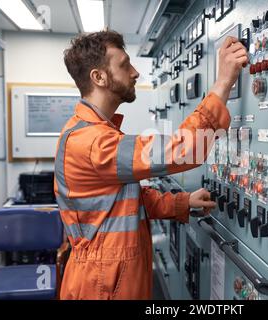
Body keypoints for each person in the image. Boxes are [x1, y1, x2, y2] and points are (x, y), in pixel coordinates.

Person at [55, 30, 248, 299]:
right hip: (102, 287)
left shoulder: (95, 132)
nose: (135, 73)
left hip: (109, 277)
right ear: (98, 77)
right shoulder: (91, 142)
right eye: (124, 65)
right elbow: (184, 149)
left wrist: (182, 203)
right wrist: (223, 83)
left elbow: (126, 202)